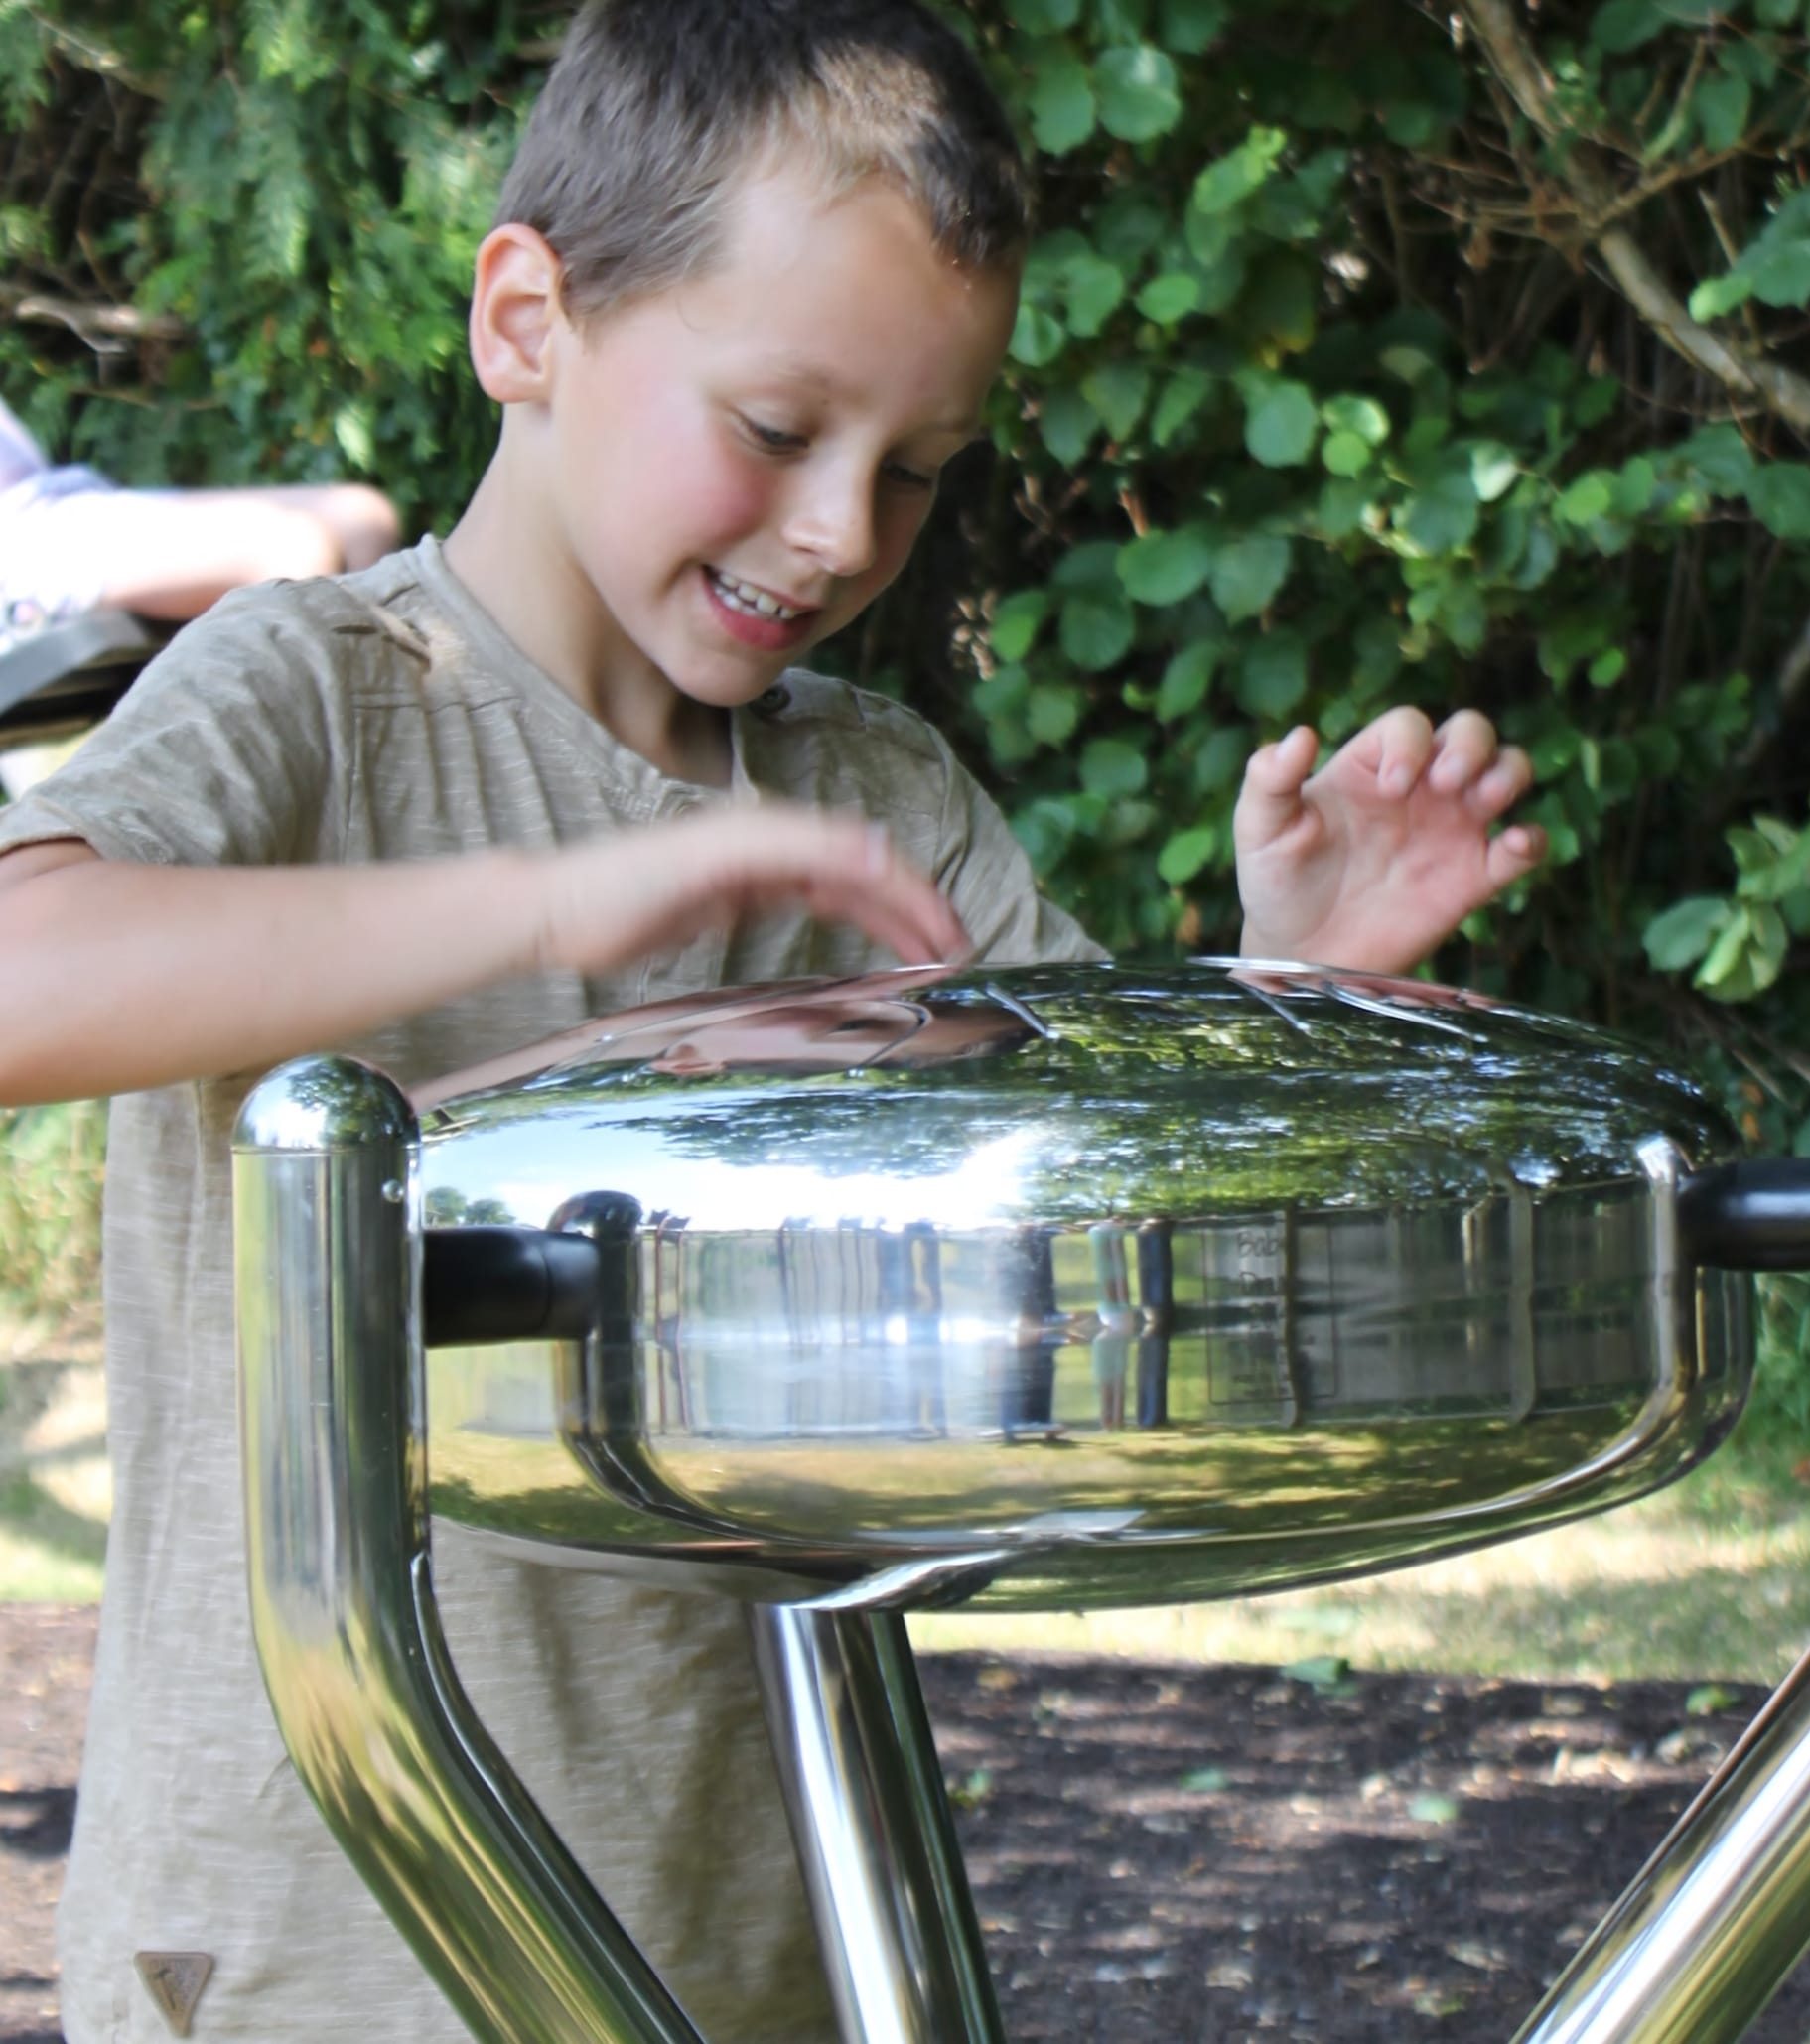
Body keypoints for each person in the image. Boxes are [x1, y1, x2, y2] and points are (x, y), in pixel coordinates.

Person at [0, 4, 1545, 2038]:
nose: (839, 533)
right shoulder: (322, 691)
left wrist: (1279, 987)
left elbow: (1091, 1199)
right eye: (775, 426)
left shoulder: (872, 796)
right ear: (528, 318)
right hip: (314, 1953)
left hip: (760, 1943)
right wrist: (560, 893)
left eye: (912, 470)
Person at [0, 393, 401, 649]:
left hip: (55, 504)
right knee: (294, 551)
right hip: (20, 557)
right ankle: (312, 756)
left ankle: (370, 724)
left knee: (363, 517)